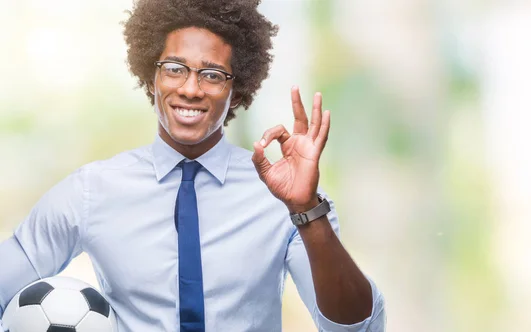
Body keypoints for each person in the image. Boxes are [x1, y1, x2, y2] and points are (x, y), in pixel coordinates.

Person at [0, 0, 386, 331]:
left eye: (212, 75)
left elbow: (359, 327)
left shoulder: (285, 199)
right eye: (174, 68)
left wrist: (306, 210)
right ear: (151, 78)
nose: (190, 88)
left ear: (236, 93)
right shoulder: (91, 190)